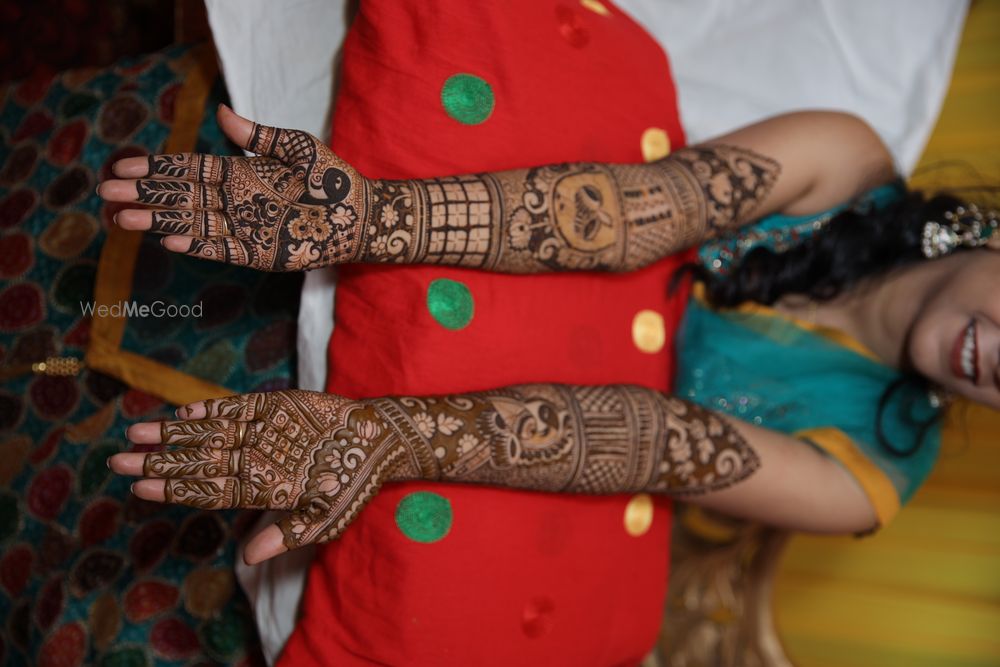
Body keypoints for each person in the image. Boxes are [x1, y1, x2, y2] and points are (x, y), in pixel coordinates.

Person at [98, 105, 998, 566]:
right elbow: (634, 211)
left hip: (506, 435)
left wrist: (384, 435)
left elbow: (655, 445)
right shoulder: (844, 157)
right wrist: (372, 220)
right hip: (475, 238)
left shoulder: (868, 480)